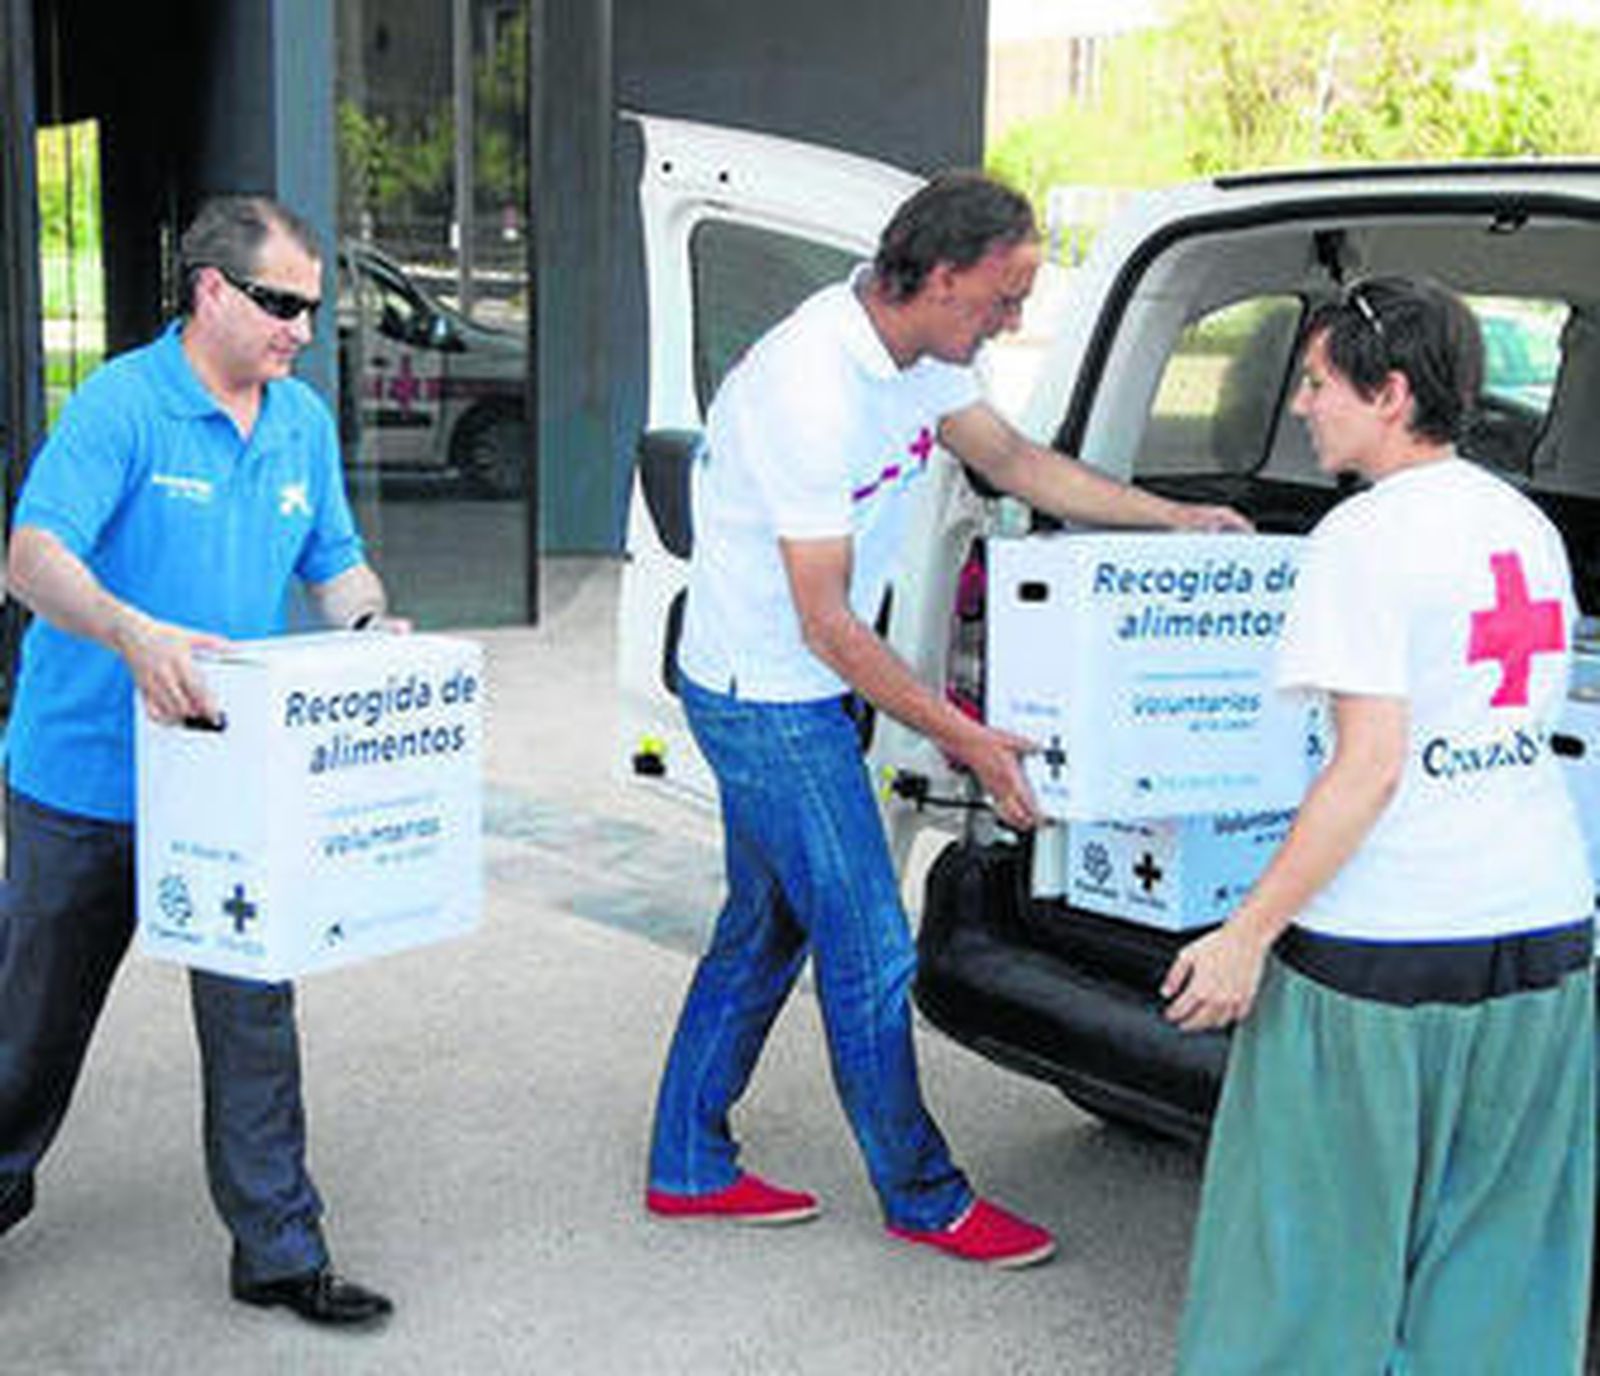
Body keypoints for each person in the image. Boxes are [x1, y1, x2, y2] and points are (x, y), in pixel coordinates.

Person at [644, 171, 1251, 1267]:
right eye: (1002, 296)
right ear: (930, 276)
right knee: (870, 949)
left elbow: (1013, 462)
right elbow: (826, 624)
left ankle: (687, 1161)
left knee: (766, 924)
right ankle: (923, 1193)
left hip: (788, 678)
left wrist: (1175, 518)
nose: (1013, 320)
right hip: (764, 694)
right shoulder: (810, 385)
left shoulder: (922, 358)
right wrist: (963, 734)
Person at [1162, 276, 1594, 1372]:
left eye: (1317, 384)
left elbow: (1365, 771)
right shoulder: (1524, 524)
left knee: (1303, 1266)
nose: (1303, 405)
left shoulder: (1362, 539)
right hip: (1543, 935)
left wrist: (1244, 933)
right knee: (1495, 1268)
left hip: (1380, 957)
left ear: (1390, 393)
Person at [0, 195, 401, 1326]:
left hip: (229, 779)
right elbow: (29, 559)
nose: (300, 330)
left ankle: (278, 1246)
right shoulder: (123, 405)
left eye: (312, 309)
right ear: (211, 290)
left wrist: (368, 632)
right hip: (84, 776)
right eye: (281, 304)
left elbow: (339, 565)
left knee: (252, 1011)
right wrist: (131, 633)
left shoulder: (301, 421)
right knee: (30, 1021)